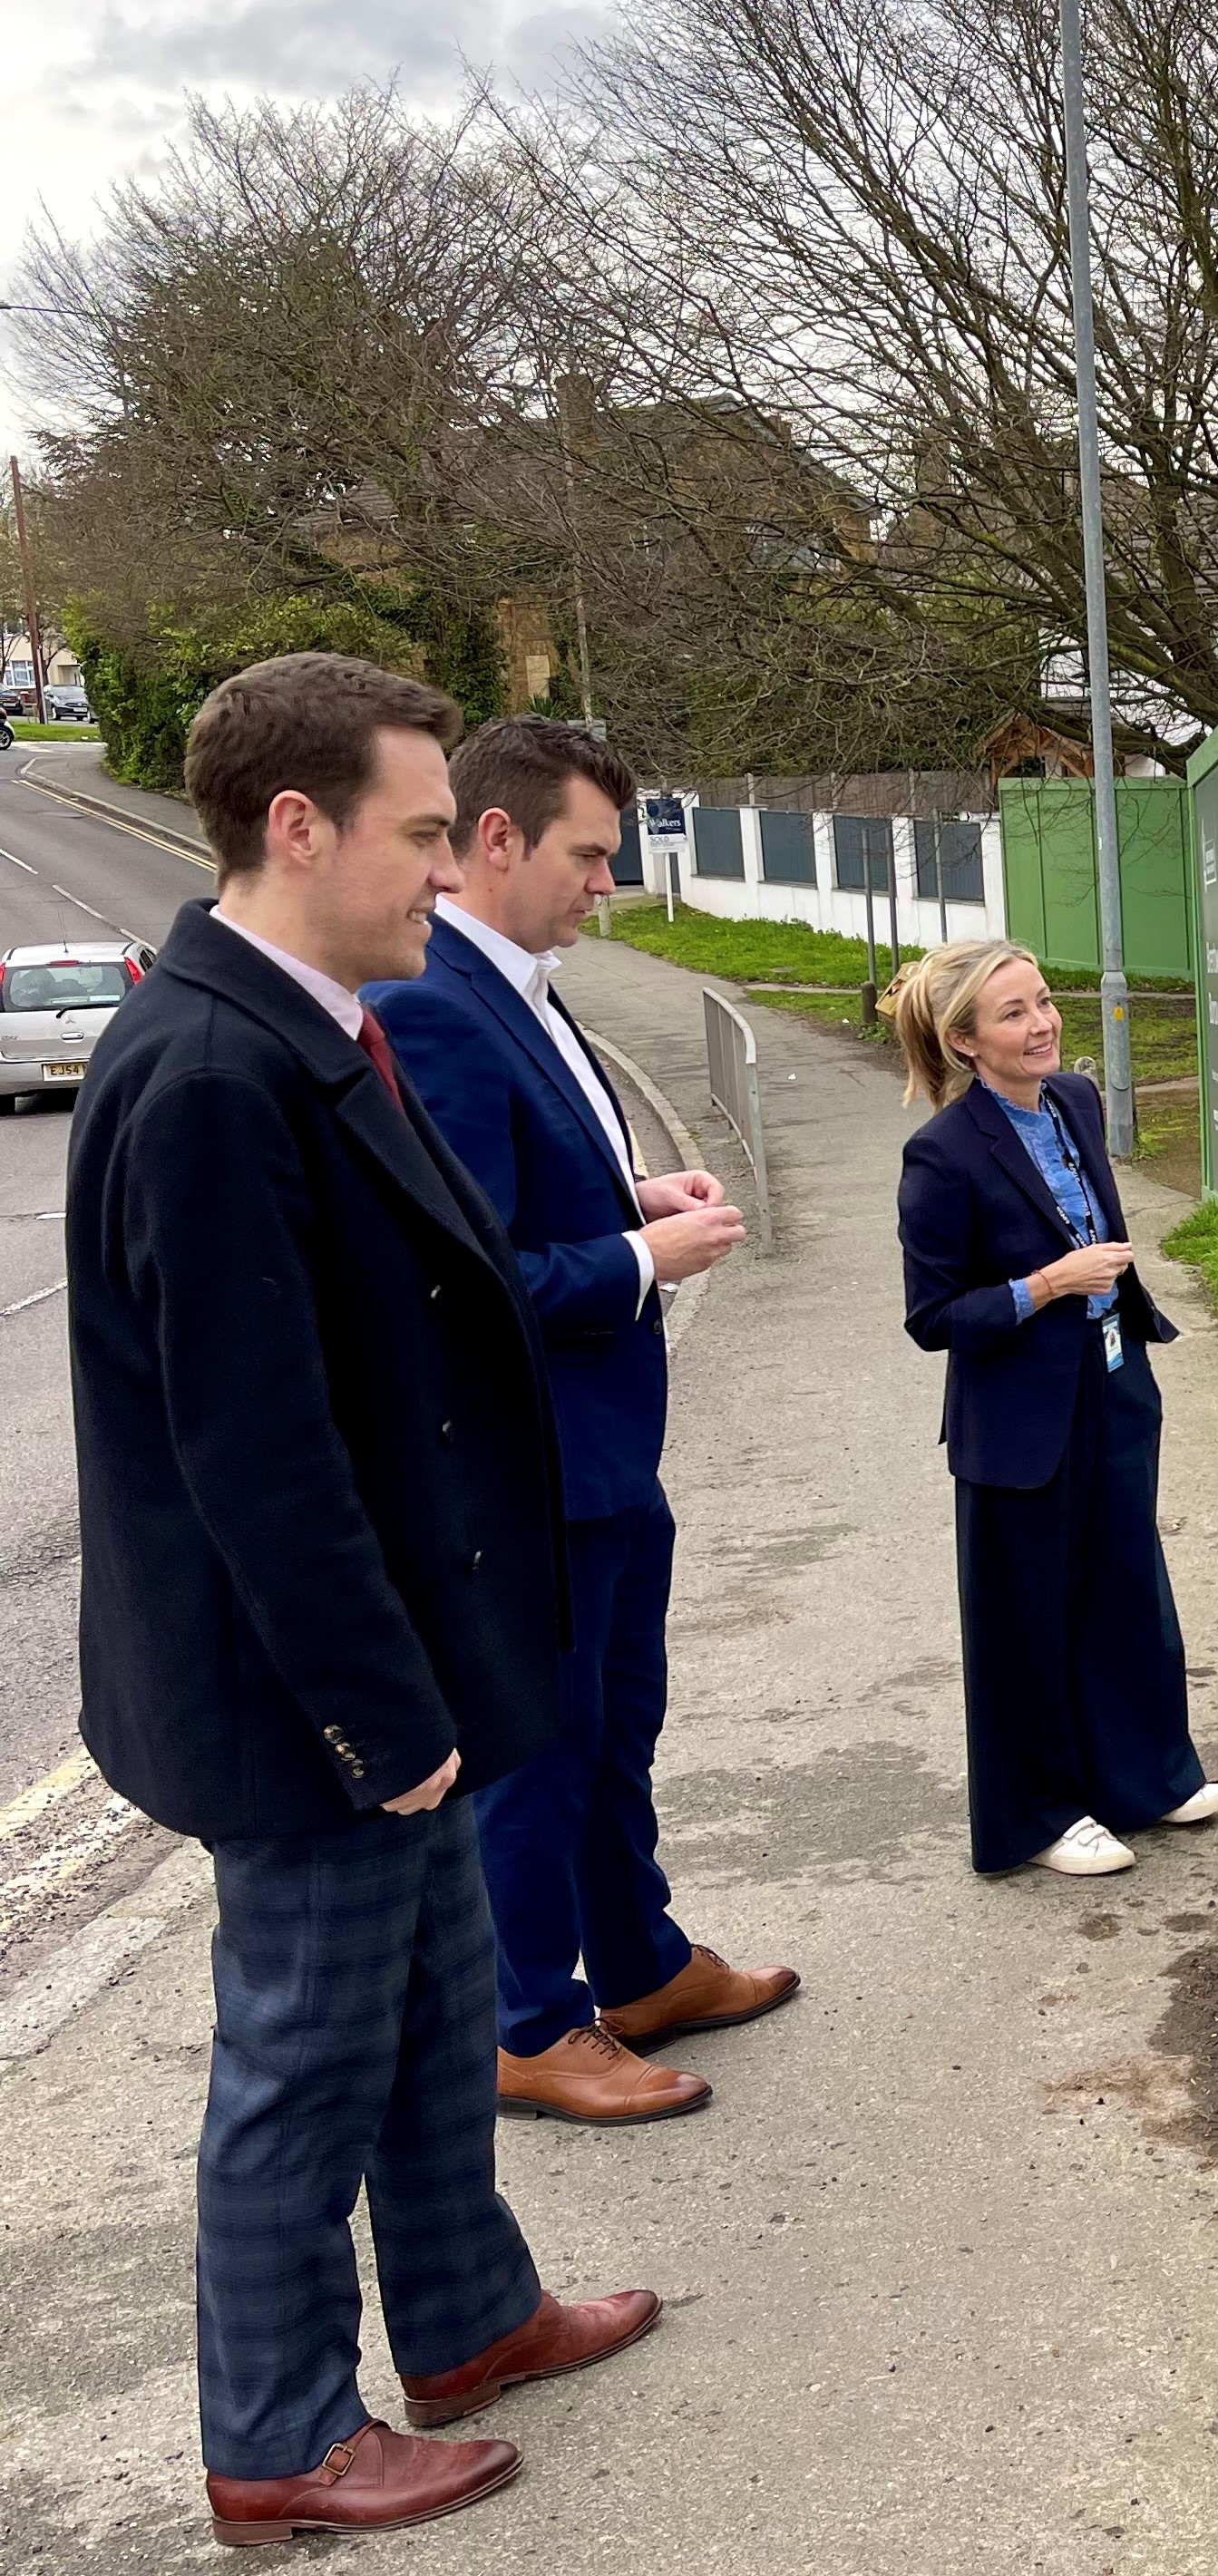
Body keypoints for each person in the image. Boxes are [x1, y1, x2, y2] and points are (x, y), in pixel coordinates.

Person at [67, 652, 658, 2544]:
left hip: (412, 1658)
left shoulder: (314, 1026)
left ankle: (470, 2317)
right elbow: (258, 1457)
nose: (440, 873)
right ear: (299, 827)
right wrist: (380, 1721)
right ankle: (279, 2433)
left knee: (430, 2018)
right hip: (316, 1702)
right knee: (303, 2063)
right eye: (419, 835)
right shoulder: (213, 1076)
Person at [371, 719, 795, 2124]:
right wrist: (633, 1266)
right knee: (544, 1754)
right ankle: (530, 2024)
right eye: (589, 855)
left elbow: (536, 1196)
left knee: (619, 1728)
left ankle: (641, 1963)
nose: (607, 886)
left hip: (609, 1450)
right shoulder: (437, 1001)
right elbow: (457, 1271)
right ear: (498, 840)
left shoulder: (529, 989)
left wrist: (634, 1204)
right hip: (535, 1465)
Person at [893, 940, 1218, 1879]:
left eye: (1043, 1002)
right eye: (1013, 1014)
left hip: (1112, 1387)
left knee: (1126, 1590)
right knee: (1026, 1620)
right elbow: (932, 1318)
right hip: (1017, 1425)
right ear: (965, 1041)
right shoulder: (943, 1155)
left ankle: (1148, 1778)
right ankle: (1038, 1817)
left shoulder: (1075, 1100)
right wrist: (1044, 1286)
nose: (1041, 1024)